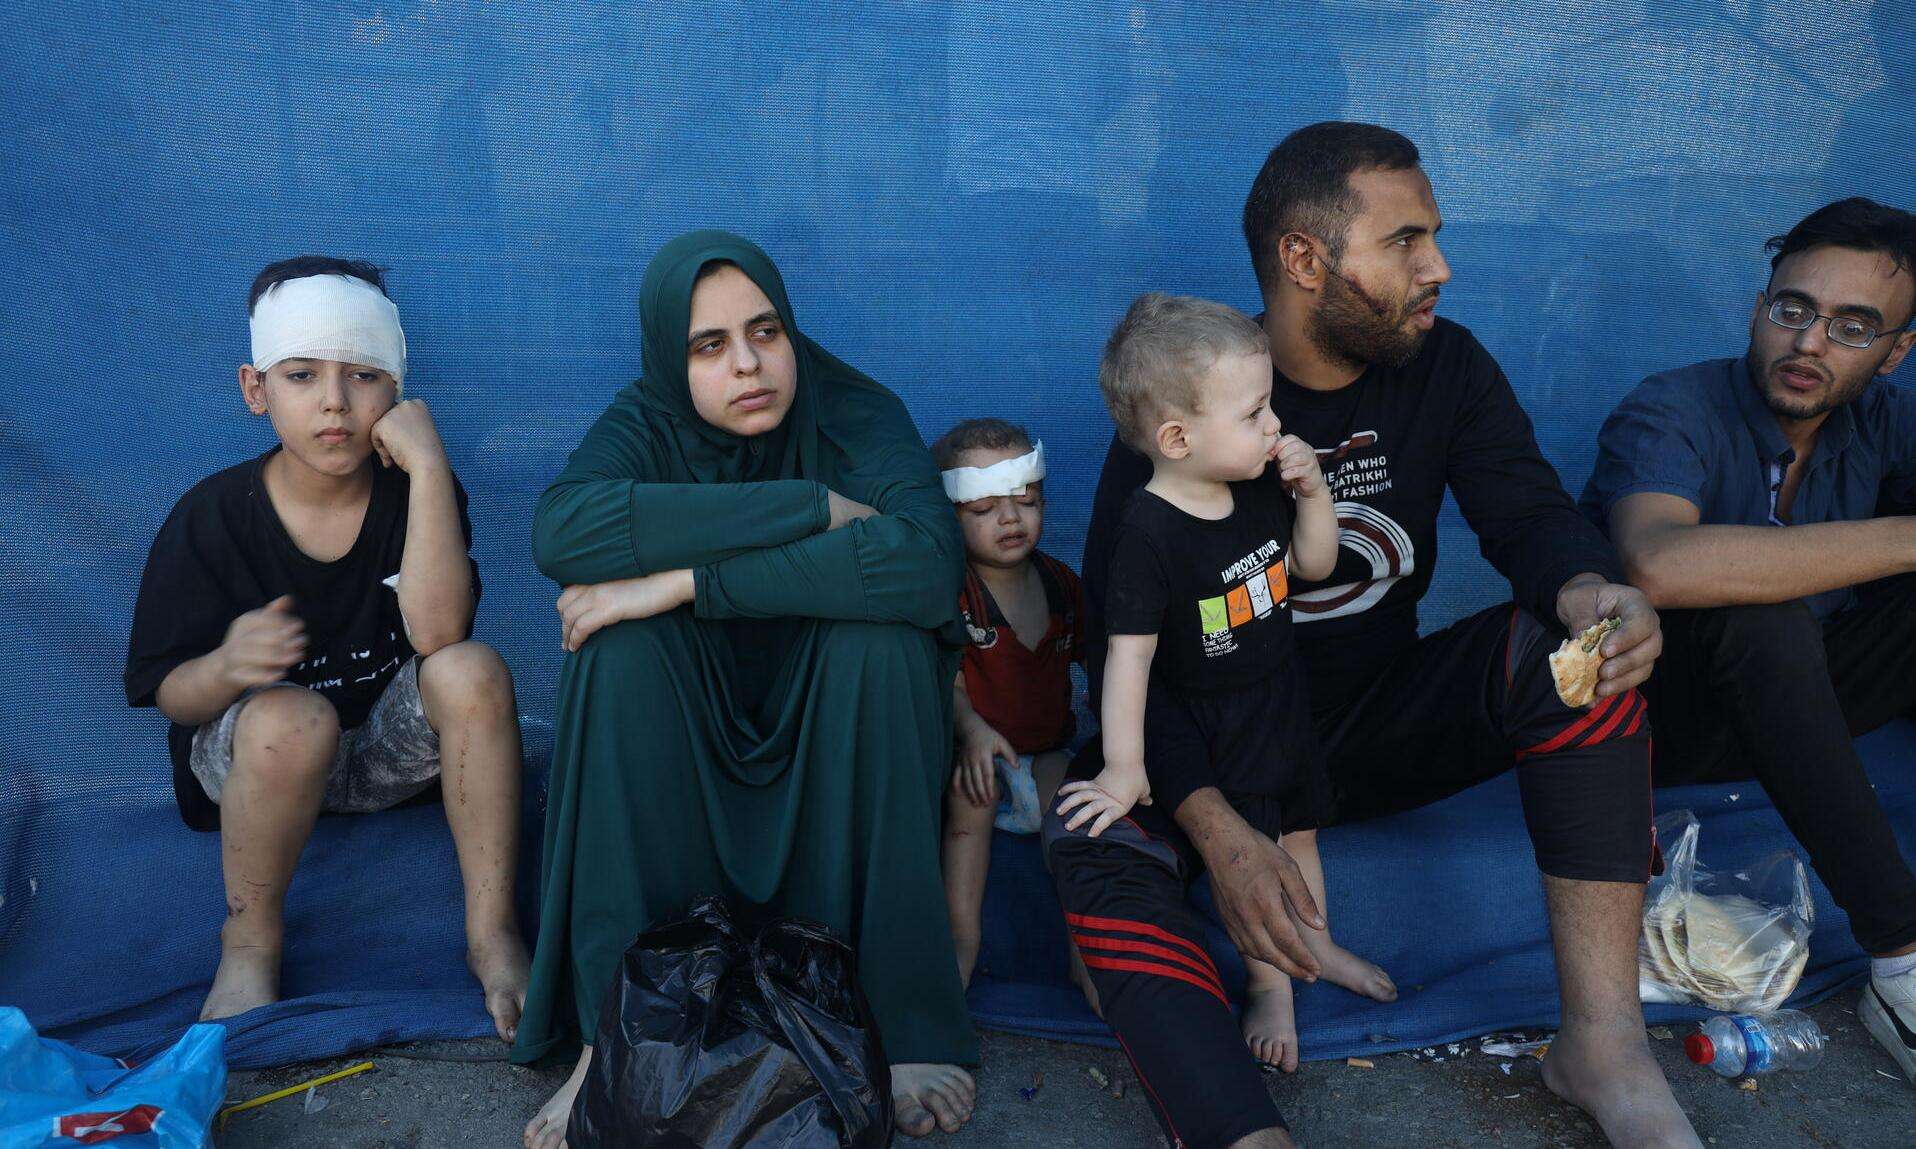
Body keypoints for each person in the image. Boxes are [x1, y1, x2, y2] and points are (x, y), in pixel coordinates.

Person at [1064, 122, 1699, 1148]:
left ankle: (1603, 1049)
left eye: (1432, 237)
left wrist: (1590, 590)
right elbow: (1120, 655)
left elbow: (1526, 511)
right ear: (1303, 259)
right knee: (1090, 848)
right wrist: (1216, 831)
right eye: (1404, 240)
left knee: (1573, 657)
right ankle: (1238, 1127)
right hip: (1215, 744)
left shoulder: (1444, 368)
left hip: (1368, 725)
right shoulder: (1182, 412)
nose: (1436, 266)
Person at [513, 231, 979, 1149]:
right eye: (710, 346)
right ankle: (614, 1036)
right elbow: (562, 530)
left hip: (833, 704)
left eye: (766, 333)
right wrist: (807, 507)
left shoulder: (855, 409)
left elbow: (926, 565)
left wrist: (685, 580)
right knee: (617, 654)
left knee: (880, 645)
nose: (750, 364)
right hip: (690, 704)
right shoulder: (643, 420)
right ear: (669, 355)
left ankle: (901, 1015)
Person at [124, 256, 530, 1040]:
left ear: (398, 393)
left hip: (382, 752)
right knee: (288, 718)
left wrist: (432, 467)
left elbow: (441, 637)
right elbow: (166, 691)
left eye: (365, 376)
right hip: (262, 755)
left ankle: (492, 932)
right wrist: (223, 668)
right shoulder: (209, 518)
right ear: (256, 389)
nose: (335, 403)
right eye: (303, 375)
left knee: (474, 670)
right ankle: (248, 943)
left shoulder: (417, 495)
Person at [1581, 197, 1916, 1082]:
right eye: (1792, 309)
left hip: (1810, 699)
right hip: (1668, 718)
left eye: (1853, 327)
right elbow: (1657, 564)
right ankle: (1903, 962)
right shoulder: (1671, 406)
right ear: (1757, 307)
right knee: (1753, 610)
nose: (1809, 343)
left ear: (1895, 353)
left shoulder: (1885, 420)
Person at [1051, 293, 1397, 1076]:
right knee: (1263, 845)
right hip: (1215, 723)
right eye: (1255, 413)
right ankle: (1272, 984)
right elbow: (1128, 659)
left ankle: (1319, 945)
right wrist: (1124, 765)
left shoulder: (1257, 484)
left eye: (1269, 404)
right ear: (1177, 438)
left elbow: (1311, 566)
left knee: (1301, 831)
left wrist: (1315, 495)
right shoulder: (1147, 532)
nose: (1275, 425)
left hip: (1280, 695)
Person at [932, 418, 1082, 990]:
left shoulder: (1061, 584)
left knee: (1072, 809)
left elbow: (1108, 660)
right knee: (973, 795)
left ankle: (1086, 951)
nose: (1010, 519)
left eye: (1026, 501)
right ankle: (960, 943)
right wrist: (970, 732)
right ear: (951, 515)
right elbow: (942, 675)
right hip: (977, 748)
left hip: (1044, 748)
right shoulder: (955, 590)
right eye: (984, 509)